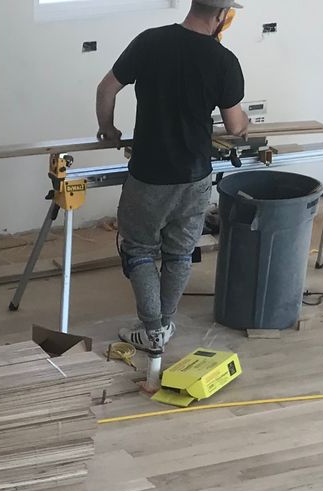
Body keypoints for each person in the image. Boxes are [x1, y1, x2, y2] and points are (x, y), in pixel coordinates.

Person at [96, 2, 248, 353]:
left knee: (139, 250)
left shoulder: (150, 42)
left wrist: (108, 129)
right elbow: (235, 125)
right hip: (195, 175)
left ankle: (152, 330)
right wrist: (247, 124)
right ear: (223, 15)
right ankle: (162, 326)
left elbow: (106, 89)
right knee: (180, 251)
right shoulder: (225, 61)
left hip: (149, 174)